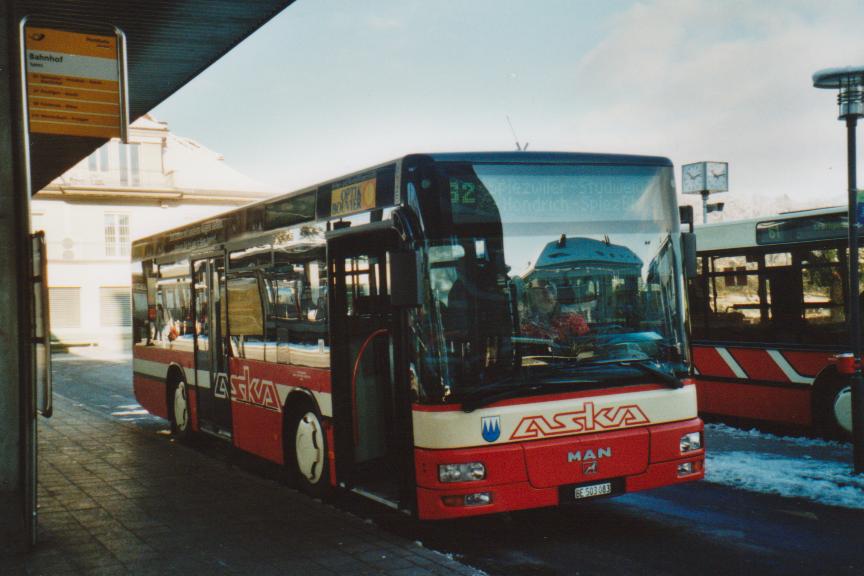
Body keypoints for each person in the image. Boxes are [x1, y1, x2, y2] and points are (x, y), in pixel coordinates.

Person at [521, 279, 589, 342]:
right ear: (532, 296)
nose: (546, 294)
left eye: (550, 289)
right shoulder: (527, 321)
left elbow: (586, 343)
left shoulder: (572, 318)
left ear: (555, 294)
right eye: (539, 291)